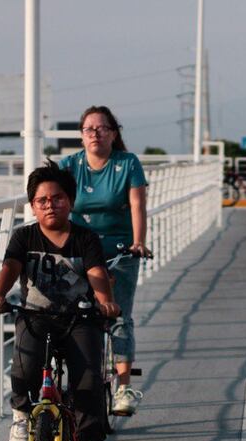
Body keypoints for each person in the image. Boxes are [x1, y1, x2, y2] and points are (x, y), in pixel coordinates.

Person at [0, 160, 121, 441]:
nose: (50, 205)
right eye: (42, 200)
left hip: (81, 318)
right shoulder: (24, 236)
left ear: (71, 202)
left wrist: (105, 302)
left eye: (58, 198)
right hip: (36, 317)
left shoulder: (85, 239)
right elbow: (10, 267)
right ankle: (20, 414)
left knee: (88, 380)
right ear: (32, 206)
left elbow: (97, 273)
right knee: (24, 367)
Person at [59, 105, 151, 417]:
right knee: (72, 313)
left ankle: (124, 387)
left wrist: (138, 243)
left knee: (119, 316)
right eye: (89, 129)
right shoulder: (70, 165)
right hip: (79, 251)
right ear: (81, 137)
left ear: (113, 133)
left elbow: (137, 204)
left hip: (119, 250)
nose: (95, 134)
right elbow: (53, 202)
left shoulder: (127, 163)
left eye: (102, 128)